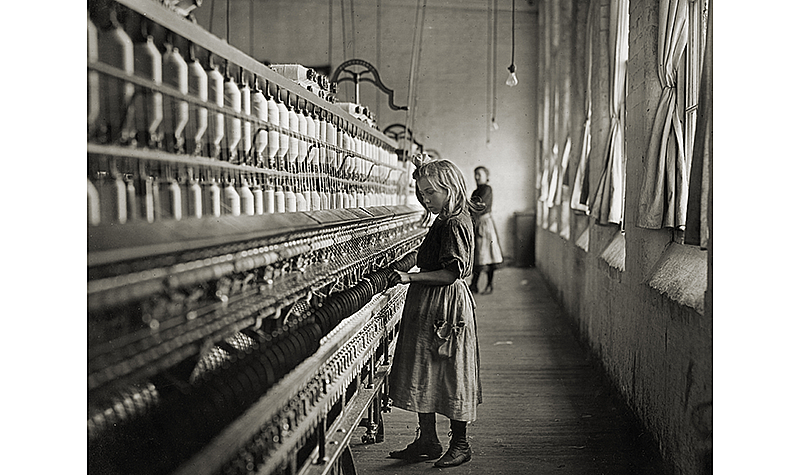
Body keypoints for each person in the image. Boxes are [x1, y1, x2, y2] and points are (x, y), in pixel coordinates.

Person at [387, 156, 482, 468]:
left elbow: (450, 273)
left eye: (430, 192)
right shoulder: (443, 218)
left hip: (445, 304)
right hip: (430, 303)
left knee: (450, 372)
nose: (424, 198)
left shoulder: (454, 222)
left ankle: (461, 444)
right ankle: (427, 439)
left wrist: (408, 276)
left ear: (450, 189)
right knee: (424, 369)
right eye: (421, 192)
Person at [469, 166, 503, 294]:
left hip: (484, 225)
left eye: (479, 174)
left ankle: (489, 285)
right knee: (478, 255)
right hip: (477, 224)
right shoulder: (475, 191)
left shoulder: (487, 189)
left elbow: (479, 207)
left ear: (486, 176)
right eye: (475, 174)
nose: (477, 177)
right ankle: (474, 284)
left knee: (488, 255)